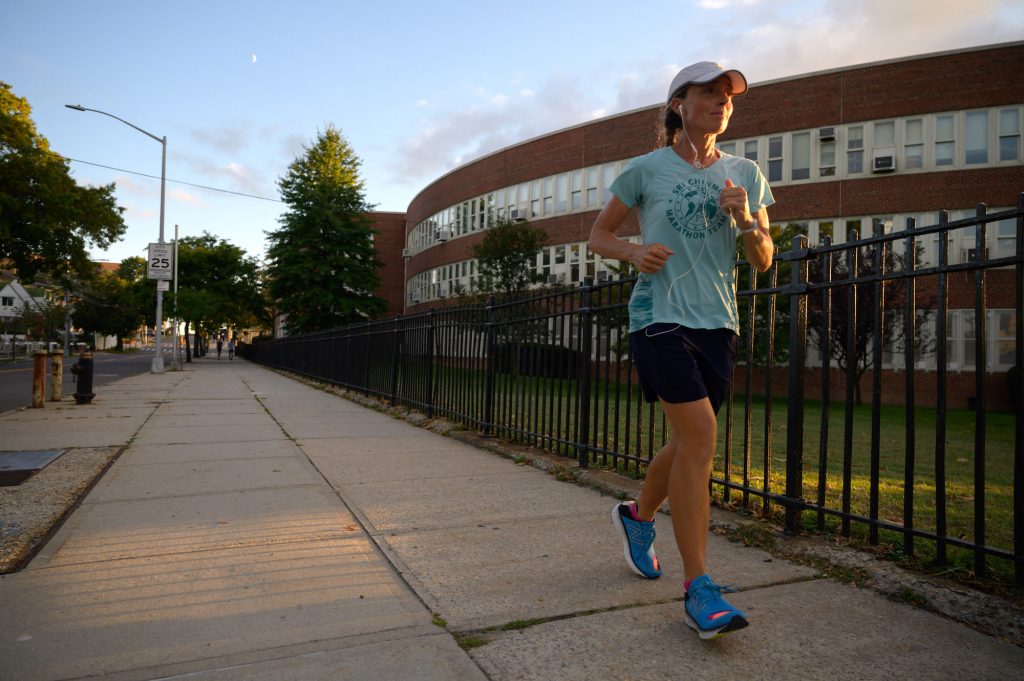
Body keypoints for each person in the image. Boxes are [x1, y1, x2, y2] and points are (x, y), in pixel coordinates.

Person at [587, 61, 775, 639]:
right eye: (710, 93)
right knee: (700, 438)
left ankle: (638, 516)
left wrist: (746, 219)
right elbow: (598, 235)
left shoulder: (745, 172)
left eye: (728, 96)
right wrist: (633, 252)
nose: (722, 102)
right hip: (658, 316)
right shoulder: (646, 169)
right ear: (679, 104)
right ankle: (700, 589)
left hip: (718, 322)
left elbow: (764, 259)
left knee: (689, 438)